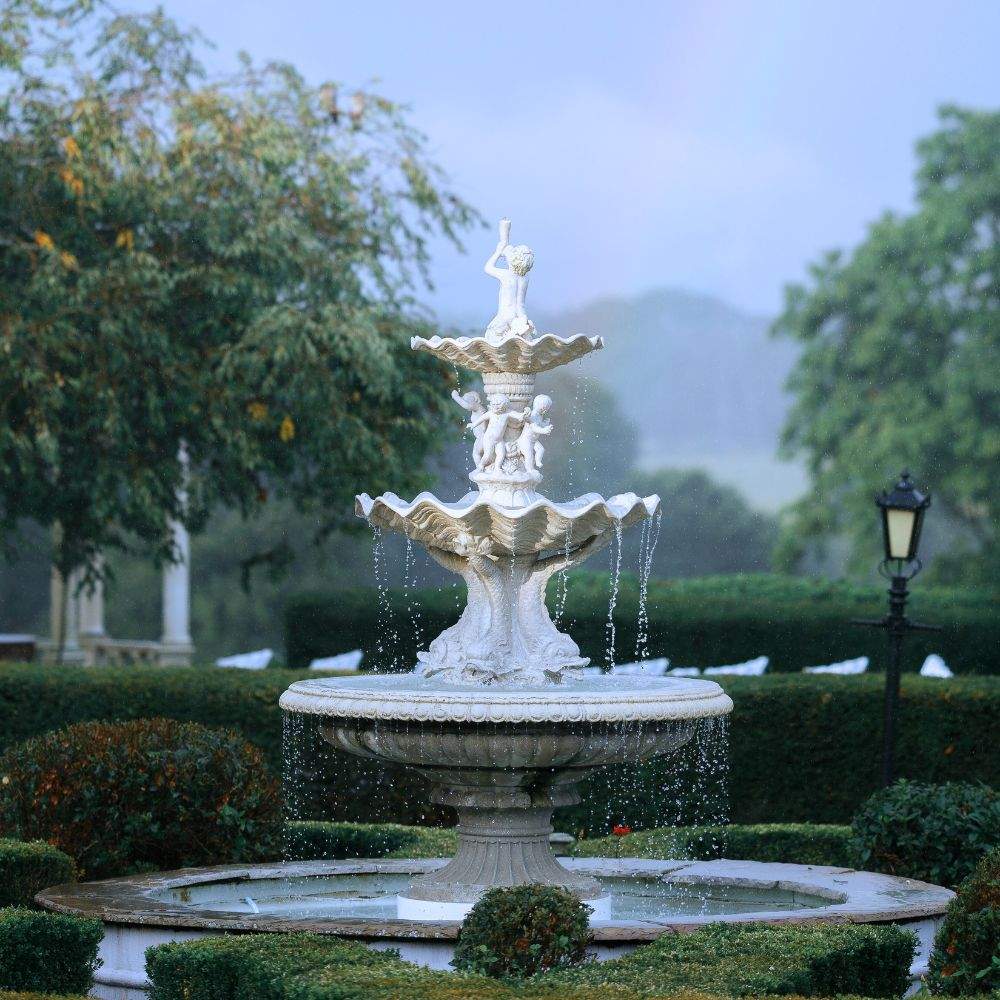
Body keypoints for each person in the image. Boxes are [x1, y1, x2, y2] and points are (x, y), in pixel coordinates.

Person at [483, 218, 534, 342]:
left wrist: (497, 252)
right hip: (521, 317)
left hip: (505, 316)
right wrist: (505, 248)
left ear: (514, 260)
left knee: (491, 341)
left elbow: (488, 268)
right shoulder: (525, 278)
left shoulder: (506, 275)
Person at [452, 389, 487, 466]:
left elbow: (466, 405)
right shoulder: (477, 409)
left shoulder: (477, 407)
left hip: (482, 436)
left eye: (467, 400)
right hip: (481, 436)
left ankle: (480, 469)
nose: (466, 402)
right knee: (480, 454)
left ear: (475, 399)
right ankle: (483, 469)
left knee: (476, 454)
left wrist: (455, 396)